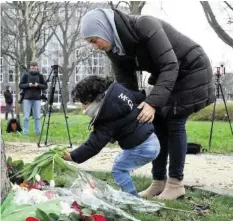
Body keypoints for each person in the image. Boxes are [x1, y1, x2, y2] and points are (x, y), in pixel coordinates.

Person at [80, 9, 215, 200]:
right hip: (168, 76)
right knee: (157, 122)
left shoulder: (145, 25)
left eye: (94, 40)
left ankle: (176, 184)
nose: (94, 47)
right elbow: (126, 86)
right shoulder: (116, 49)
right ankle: (158, 181)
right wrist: (125, 112)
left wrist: (151, 103)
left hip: (191, 69)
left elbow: (170, 65)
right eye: (90, 43)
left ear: (105, 30)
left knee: (175, 122)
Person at [63, 75, 160, 197]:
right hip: (151, 140)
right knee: (120, 161)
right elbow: (140, 97)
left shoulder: (106, 116)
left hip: (142, 147)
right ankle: (126, 189)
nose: (83, 107)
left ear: (92, 99)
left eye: (83, 102)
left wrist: (73, 156)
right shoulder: (119, 91)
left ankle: (132, 198)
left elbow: (94, 145)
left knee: (118, 169)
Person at [19, 61, 47, 135]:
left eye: (35, 67)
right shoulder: (26, 75)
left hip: (37, 98)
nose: (33, 68)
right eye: (32, 67)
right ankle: (25, 132)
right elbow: (20, 85)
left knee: (37, 116)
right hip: (27, 98)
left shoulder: (40, 75)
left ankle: (38, 132)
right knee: (26, 117)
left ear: (37, 67)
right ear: (30, 67)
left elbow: (45, 86)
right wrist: (29, 85)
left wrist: (38, 85)